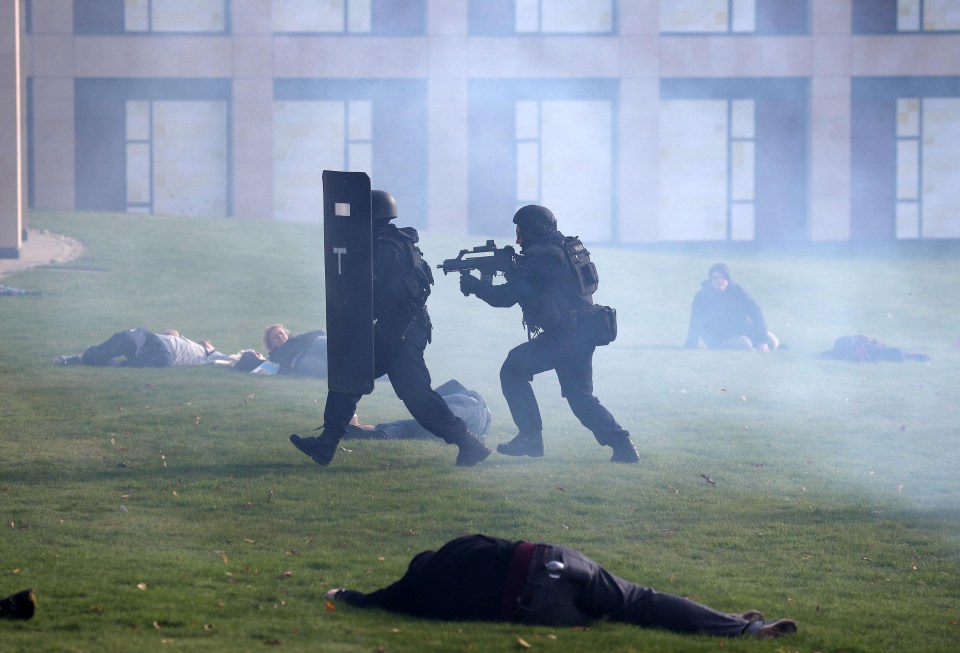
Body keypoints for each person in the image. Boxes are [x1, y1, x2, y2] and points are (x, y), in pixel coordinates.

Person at [289, 190, 490, 467]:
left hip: (402, 335)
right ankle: (326, 444)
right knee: (348, 379)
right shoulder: (395, 242)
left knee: (418, 398)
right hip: (394, 331)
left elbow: (364, 286)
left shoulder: (384, 247)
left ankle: (469, 443)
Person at [323, 533, 798, 639]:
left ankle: (738, 628)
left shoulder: (411, 597)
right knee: (638, 600)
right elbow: (507, 544)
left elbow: (368, 602)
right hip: (550, 564)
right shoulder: (460, 547)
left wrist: (340, 595)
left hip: (531, 610)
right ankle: (743, 631)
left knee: (618, 615)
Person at [458, 205, 639, 463]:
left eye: (521, 233)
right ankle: (623, 446)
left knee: (513, 369)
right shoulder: (562, 247)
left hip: (565, 336)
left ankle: (531, 438)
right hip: (579, 332)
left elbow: (508, 296)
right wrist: (515, 269)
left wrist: (477, 287)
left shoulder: (544, 255)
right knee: (581, 399)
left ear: (534, 230)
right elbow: (545, 285)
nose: (518, 239)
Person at [344, 379, 492, 441]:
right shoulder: (474, 420)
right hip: (447, 432)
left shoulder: (473, 402)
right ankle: (379, 433)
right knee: (406, 426)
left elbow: (449, 387)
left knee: (409, 425)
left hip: (469, 409)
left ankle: (379, 432)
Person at [684, 263, 779, 351]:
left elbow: (756, 313)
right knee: (745, 344)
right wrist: (690, 345)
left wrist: (762, 340)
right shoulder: (701, 297)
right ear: (710, 280)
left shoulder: (738, 291)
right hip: (718, 337)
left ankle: (758, 345)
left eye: (723, 277)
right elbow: (695, 321)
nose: (719, 280)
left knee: (773, 341)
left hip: (744, 330)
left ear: (728, 280)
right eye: (715, 278)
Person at [53, 327, 229, 367]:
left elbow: (232, 359)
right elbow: (170, 333)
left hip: (165, 356)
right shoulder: (187, 341)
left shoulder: (209, 356)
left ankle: (85, 358)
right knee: (128, 341)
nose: (205, 342)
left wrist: (255, 355)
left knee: (162, 360)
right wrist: (173, 334)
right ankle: (85, 357)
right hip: (153, 343)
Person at [262, 324, 328, 377]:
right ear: (271, 346)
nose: (279, 336)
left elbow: (319, 333)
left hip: (314, 346)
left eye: (281, 333)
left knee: (321, 341)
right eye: (274, 337)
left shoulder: (297, 339)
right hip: (301, 360)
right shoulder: (274, 358)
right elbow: (260, 369)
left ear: (287, 334)